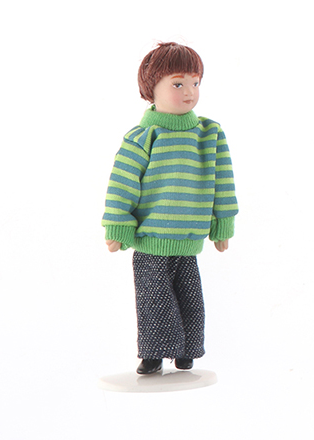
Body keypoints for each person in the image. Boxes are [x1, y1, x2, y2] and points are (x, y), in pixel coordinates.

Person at [102, 42, 238, 374]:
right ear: (152, 88)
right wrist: (118, 226)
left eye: (195, 82)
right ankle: (154, 353)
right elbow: (122, 185)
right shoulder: (142, 136)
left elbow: (223, 182)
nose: (189, 92)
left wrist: (223, 224)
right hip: (150, 240)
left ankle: (186, 351)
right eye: (178, 84)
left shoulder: (209, 134)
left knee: (190, 296)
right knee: (154, 298)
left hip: (188, 239)